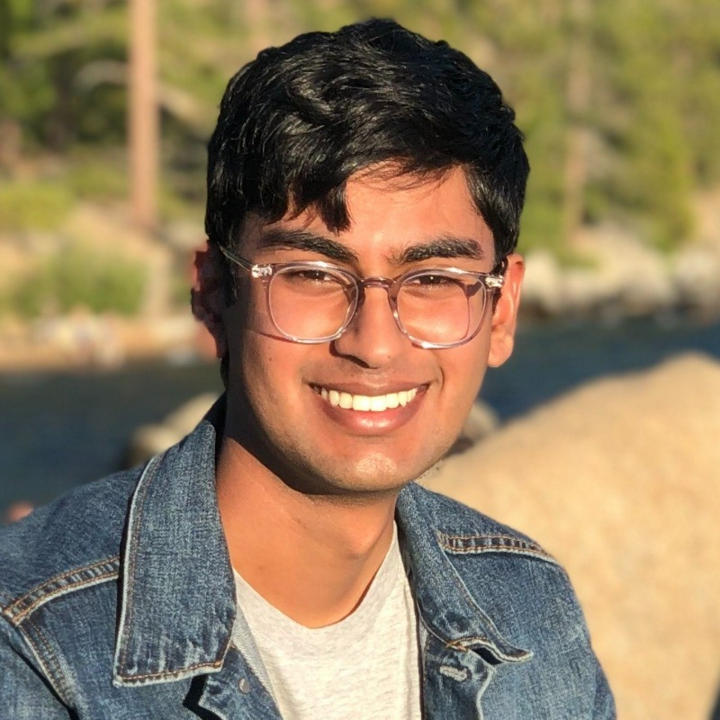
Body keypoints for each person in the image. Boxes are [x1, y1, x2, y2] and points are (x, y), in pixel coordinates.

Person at [0, 18, 615, 719]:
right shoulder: (31, 645)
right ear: (213, 293)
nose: (375, 345)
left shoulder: (530, 614)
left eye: (434, 280)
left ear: (501, 312)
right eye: (313, 275)